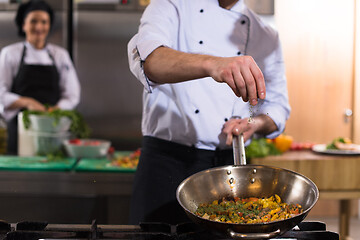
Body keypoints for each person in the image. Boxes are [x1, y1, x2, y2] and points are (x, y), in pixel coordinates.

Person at [127, 0, 290, 224]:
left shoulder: (266, 34)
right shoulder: (171, 4)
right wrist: (213, 64)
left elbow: (277, 106)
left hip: (228, 172)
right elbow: (151, 61)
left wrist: (255, 123)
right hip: (166, 166)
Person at [0, 0, 80, 154]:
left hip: (54, 127)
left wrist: (55, 110)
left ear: (49, 25)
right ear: (23, 25)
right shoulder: (10, 54)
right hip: (20, 130)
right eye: (33, 21)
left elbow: (72, 94)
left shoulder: (60, 55)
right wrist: (27, 102)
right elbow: (0, 93)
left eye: (44, 22)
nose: (38, 27)